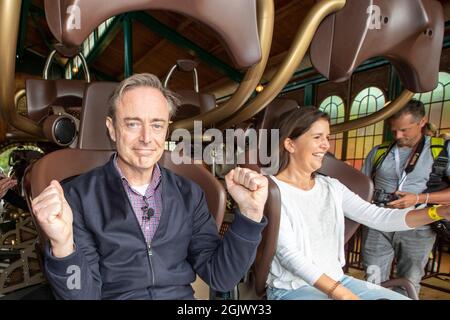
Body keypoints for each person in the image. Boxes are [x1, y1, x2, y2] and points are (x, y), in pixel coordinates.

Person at [31, 73, 268, 300]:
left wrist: (250, 215)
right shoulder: (78, 197)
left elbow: (222, 277)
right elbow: (81, 295)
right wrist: (63, 247)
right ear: (112, 128)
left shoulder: (189, 193)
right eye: (133, 124)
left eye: (156, 125)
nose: (146, 137)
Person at [265, 106, 450, 300]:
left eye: (327, 137)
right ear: (290, 144)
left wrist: (439, 213)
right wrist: (343, 295)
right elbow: (289, 256)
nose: (326, 145)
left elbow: (378, 216)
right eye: (317, 137)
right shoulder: (272, 190)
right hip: (293, 288)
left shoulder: (331, 186)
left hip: (338, 280)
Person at [361, 100, 450, 296]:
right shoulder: (379, 152)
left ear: (422, 121)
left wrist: (419, 198)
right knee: (372, 277)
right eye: (394, 131)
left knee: (409, 279)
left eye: (404, 130)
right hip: (378, 223)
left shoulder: (442, 151)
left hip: (419, 227)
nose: (398, 136)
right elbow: (361, 188)